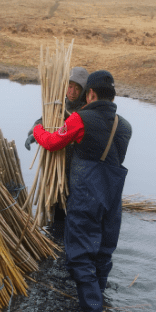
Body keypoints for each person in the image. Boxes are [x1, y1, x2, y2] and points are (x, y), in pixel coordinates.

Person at [30, 70, 132, 312]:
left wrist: (36, 130)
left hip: (86, 196)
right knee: (103, 252)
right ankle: (101, 296)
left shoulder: (80, 118)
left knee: (79, 254)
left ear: (91, 94)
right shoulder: (125, 126)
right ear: (113, 98)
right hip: (113, 198)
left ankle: (91, 311)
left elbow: (52, 142)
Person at [26, 66, 89, 231]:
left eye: (77, 88)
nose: (72, 91)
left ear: (84, 91)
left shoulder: (85, 112)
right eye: (70, 86)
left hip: (73, 170)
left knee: (70, 209)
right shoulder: (58, 105)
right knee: (55, 208)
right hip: (54, 169)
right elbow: (42, 121)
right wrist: (33, 133)